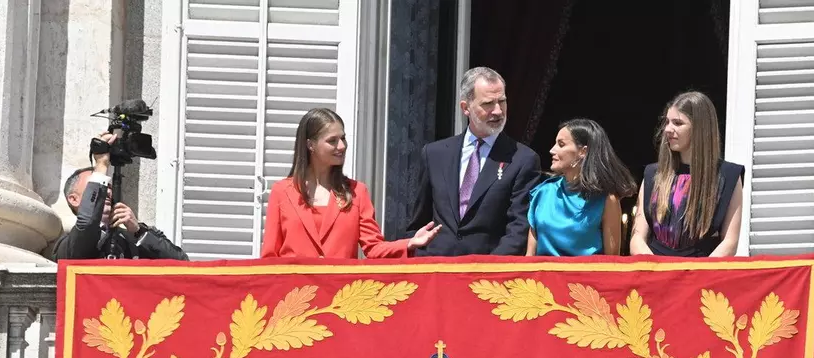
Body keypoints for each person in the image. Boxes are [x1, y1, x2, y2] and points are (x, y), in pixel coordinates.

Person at [397, 67, 541, 256]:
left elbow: (518, 230)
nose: (498, 111)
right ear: (466, 108)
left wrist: (486, 268)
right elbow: (419, 223)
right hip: (436, 266)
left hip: (487, 269)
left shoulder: (522, 159)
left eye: (502, 101)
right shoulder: (434, 154)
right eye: (488, 104)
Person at [262, 108, 440, 258]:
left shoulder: (357, 192)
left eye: (343, 138)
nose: (342, 146)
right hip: (294, 289)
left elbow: (374, 248)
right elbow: (269, 256)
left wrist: (409, 243)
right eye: (332, 141)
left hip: (340, 288)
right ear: (310, 145)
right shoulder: (282, 191)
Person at [629, 91, 745, 257]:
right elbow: (637, 237)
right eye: (667, 122)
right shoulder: (653, 174)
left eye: (677, 123)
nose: (668, 129)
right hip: (655, 268)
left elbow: (730, 242)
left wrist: (696, 272)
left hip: (703, 269)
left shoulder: (729, 176)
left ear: (700, 129)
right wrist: (655, 268)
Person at [50, 133, 188, 261]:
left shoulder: (132, 237)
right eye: (101, 186)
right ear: (74, 199)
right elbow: (87, 224)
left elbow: (182, 262)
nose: (107, 191)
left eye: (108, 186)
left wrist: (139, 232)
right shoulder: (68, 244)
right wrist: (101, 164)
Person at [527, 119, 636, 256]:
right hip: (542, 270)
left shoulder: (606, 200)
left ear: (583, 152)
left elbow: (612, 260)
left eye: (561, 144)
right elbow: (529, 256)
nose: (552, 150)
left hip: (585, 270)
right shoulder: (542, 192)